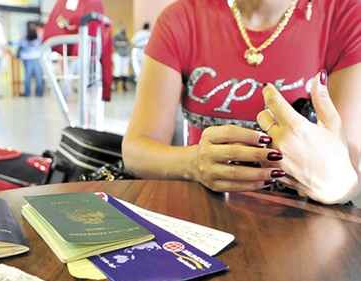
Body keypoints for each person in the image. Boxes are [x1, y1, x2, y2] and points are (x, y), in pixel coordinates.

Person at [122, 0, 361, 205]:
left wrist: (338, 183)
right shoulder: (182, 18)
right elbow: (136, 150)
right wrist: (193, 162)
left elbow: (351, 167)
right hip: (203, 215)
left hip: (304, 221)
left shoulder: (344, 16)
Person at [18, 22, 44, 97]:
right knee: (31, 76)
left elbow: (21, 46)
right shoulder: (26, 37)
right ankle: (32, 93)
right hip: (31, 58)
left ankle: (35, 93)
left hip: (32, 58)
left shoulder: (37, 36)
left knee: (34, 76)